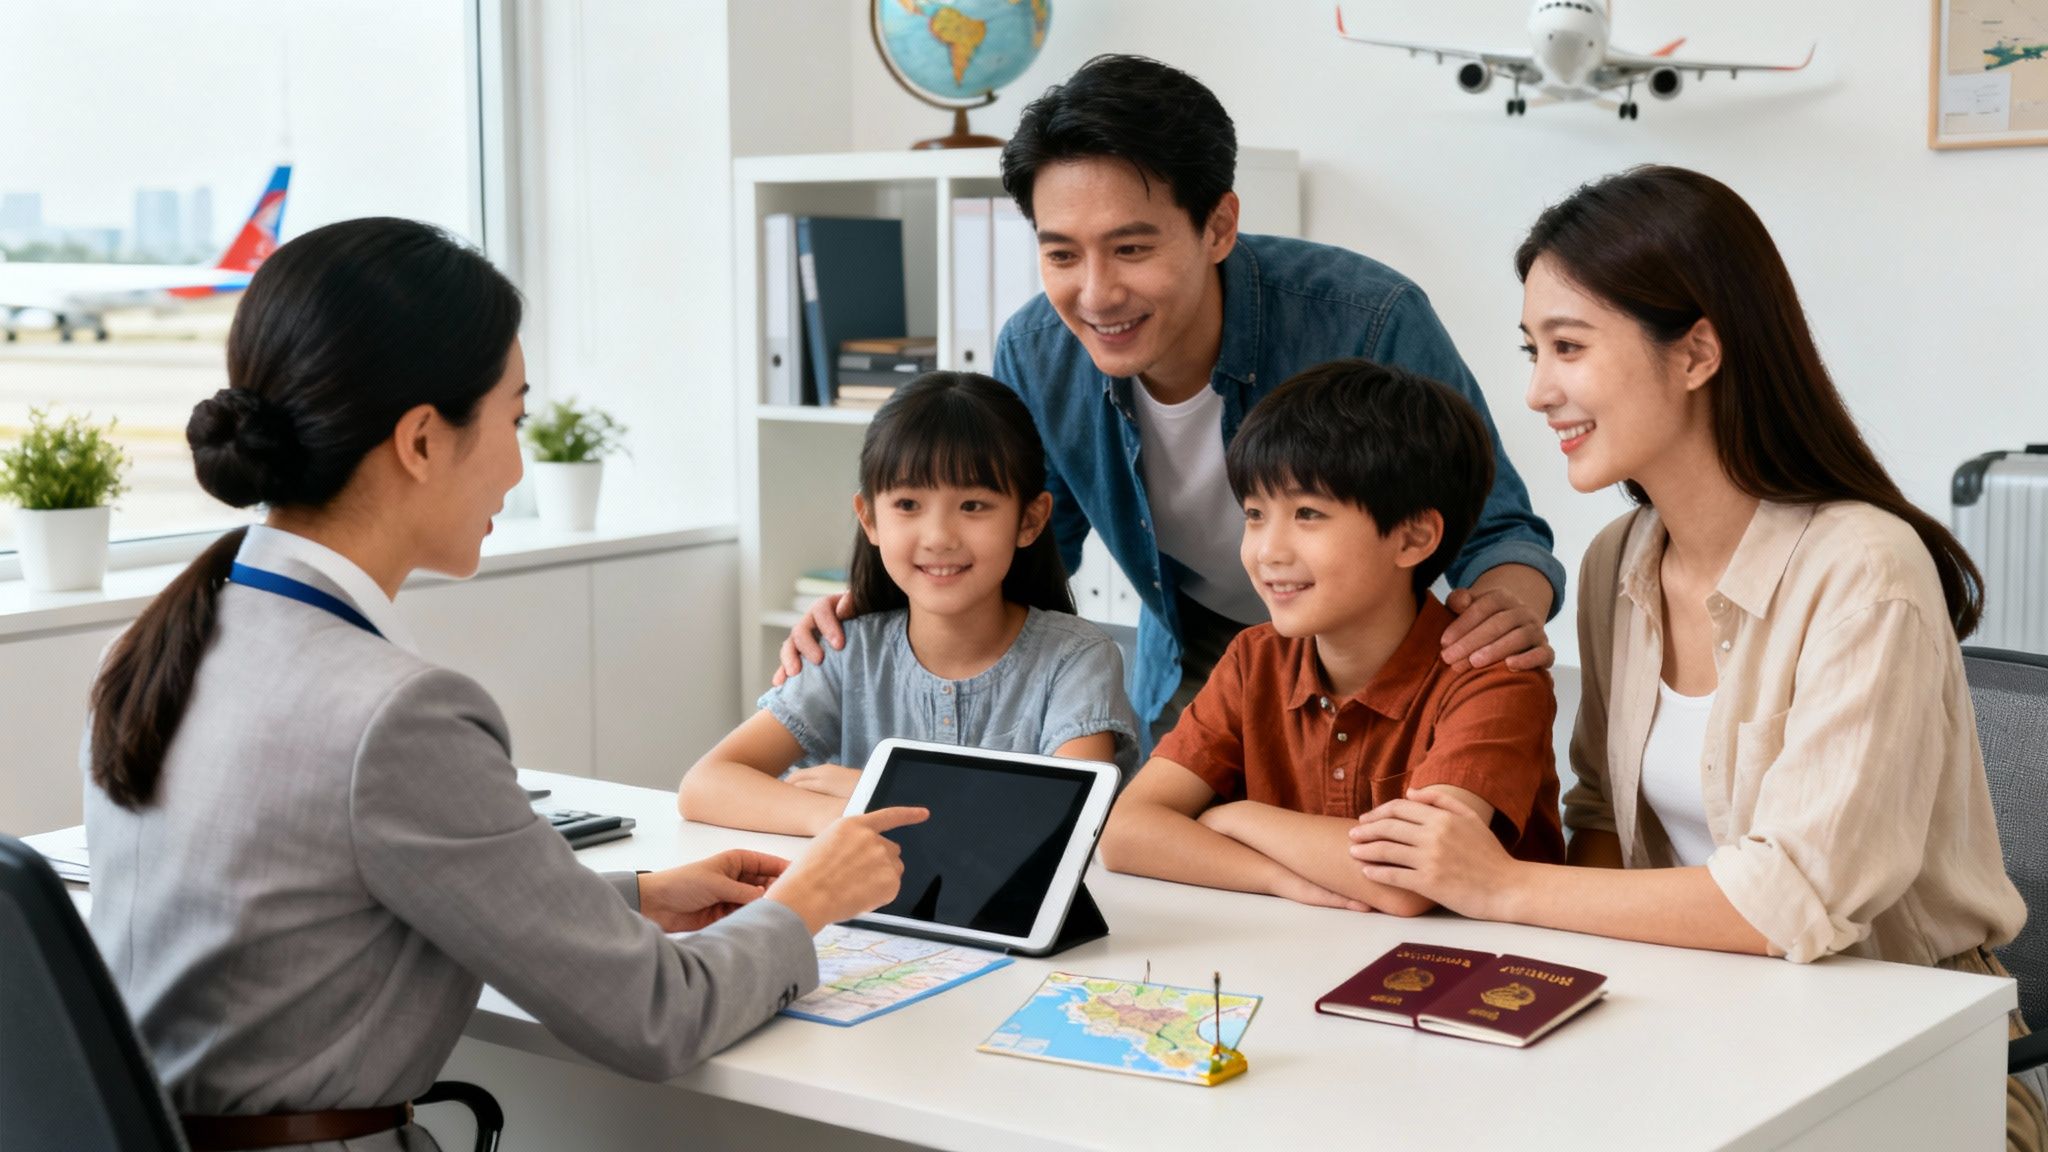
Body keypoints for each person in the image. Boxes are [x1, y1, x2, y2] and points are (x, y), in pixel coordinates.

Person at [83, 217, 924, 1152]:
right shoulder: (398, 714)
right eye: (513, 418)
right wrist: (805, 901)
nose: (520, 462)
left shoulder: (180, 635)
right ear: (420, 440)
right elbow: (658, 1018)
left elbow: (333, 915)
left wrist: (639, 896)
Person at [1344, 166, 2043, 1148]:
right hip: (1698, 1040)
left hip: (1902, 1079)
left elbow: (1794, 898)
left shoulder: (1862, 567)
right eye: (1531, 349)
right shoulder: (1614, 564)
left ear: (1696, 352)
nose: (1538, 389)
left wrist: (1499, 887)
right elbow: (1598, 816)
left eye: (1568, 347)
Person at [778, 55, 1565, 744]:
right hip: (1197, 650)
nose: (1096, 293)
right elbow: (1023, 536)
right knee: (1168, 868)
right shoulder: (1038, 351)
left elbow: (1495, 528)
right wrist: (882, 604)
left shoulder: (1367, 320)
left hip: (1370, 655)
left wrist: (1504, 610)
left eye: (1132, 248)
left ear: (1218, 226)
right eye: (1061, 253)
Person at [1097, 359, 1563, 913]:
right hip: (1310, 960)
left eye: (1308, 513)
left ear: (1413, 538)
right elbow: (1125, 833)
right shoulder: (1254, 660)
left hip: (1478, 978)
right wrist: (1277, 878)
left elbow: (1412, 882)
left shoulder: (1490, 680)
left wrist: (1237, 817)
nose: (1269, 551)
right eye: (1254, 514)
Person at [681, 372, 1139, 835]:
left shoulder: (1076, 660)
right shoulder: (847, 653)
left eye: (974, 505)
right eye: (907, 504)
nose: (939, 538)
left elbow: (1066, 820)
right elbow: (705, 785)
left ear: (1030, 519)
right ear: (869, 518)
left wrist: (877, 793)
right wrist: (850, 817)